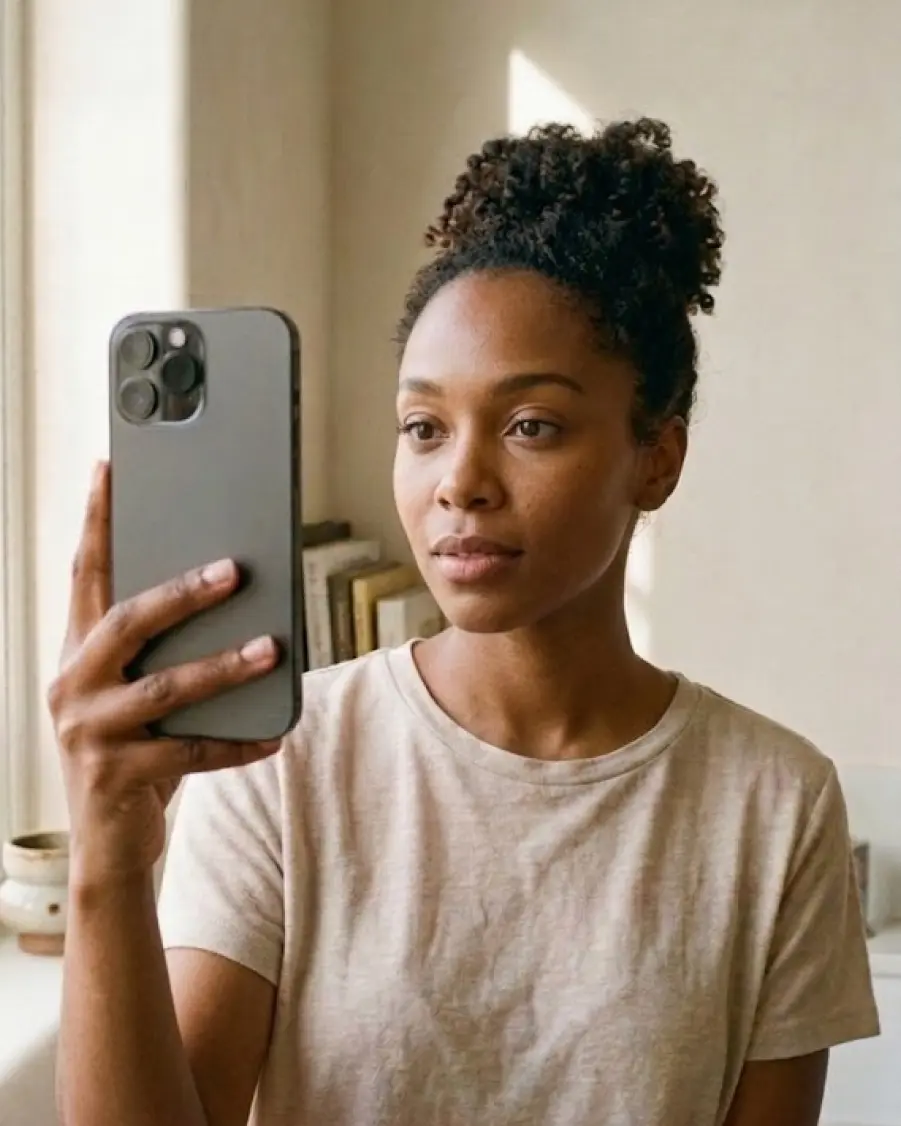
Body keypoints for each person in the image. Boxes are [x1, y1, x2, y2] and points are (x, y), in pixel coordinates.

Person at [51, 118, 878, 1126]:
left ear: (656, 459)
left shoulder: (775, 805)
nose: (460, 482)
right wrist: (106, 860)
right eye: (423, 428)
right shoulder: (278, 764)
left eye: (531, 425)